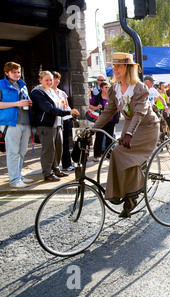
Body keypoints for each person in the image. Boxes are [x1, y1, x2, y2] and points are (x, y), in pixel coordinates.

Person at [92, 52, 159, 218]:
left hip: (147, 126)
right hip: (131, 126)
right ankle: (122, 192)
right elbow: (108, 112)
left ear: (128, 69)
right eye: (114, 66)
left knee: (123, 154)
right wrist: (91, 130)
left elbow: (140, 112)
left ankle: (134, 191)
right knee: (116, 153)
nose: (115, 69)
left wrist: (129, 133)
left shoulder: (140, 88)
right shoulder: (114, 89)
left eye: (119, 66)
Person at [31, 71, 79, 182]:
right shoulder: (38, 92)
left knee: (58, 149)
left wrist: (67, 111)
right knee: (48, 150)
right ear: (41, 80)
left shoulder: (52, 91)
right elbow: (48, 109)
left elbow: (61, 106)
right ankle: (47, 173)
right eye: (46, 80)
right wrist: (68, 113)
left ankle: (56, 169)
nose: (49, 82)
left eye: (50, 80)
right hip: (46, 125)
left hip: (57, 124)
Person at [0, 61, 33, 188]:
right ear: (6, 73)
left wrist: (29, 103)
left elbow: (24, 102)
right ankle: (14, 180)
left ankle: (18, 176)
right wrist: (16, 104)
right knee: (13, 152)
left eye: (18, 72)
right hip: (10, 123)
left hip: (25, 121)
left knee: (22, 152)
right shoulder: (1, 85)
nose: (17, 74)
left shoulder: (23, 86)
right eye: (14, 72)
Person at [89, 81, 119, 162]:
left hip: (111, 120)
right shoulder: (97, 97)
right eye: (106, 87)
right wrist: (96, 107)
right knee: (99, 137)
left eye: (109, 87)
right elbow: (90, 106)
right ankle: (97, 155)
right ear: (101, 88)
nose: (107, 89)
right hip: (101, 120)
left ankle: (109, 154)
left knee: (110, 137)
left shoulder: (113, 97)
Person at [51, 71, 74, 172]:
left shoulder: (62, 93)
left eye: (58, 78)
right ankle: (53, 166)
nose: (57, 81)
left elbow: (66, 106)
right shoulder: (47, 93)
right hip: (54, 120)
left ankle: (67, 164)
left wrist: (68, 111)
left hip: (64, 119)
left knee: (65, 142)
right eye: (55, 78)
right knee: (53, 144)